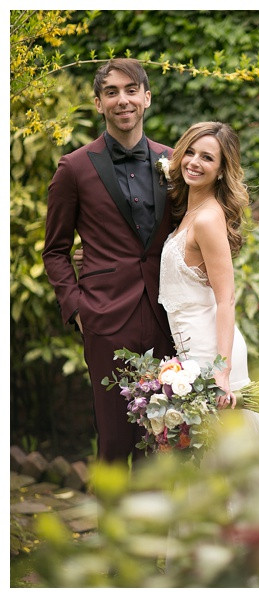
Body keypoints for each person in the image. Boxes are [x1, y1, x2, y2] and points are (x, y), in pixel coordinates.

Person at [43, 58, 175, 464]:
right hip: (105, 318)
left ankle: (154, 528)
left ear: (147, 98)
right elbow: (55, 250)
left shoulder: (175, 162)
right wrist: (78, 309)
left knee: (165, 438)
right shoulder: (75, 167)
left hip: (166, 315)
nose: (123, 100)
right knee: (115, 443)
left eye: (131, 90)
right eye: (112, 92)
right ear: (98, 103)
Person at [157, 121, 259, 474]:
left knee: (227, 456)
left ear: (222, 170)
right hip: (189, 349)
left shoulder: (208, 218)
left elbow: (226, 299)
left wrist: (222, 370)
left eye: (207, 158)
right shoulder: (188, 212)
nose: (195, 162)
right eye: (191, 152)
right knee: (206, 456)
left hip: (211, 351)